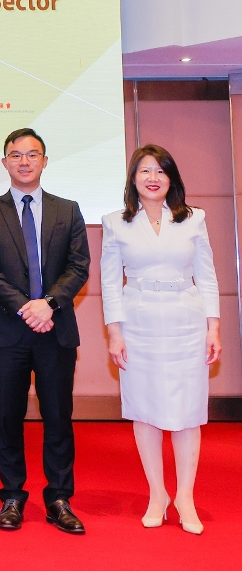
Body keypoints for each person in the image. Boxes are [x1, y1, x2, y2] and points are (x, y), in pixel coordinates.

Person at [0, 128, 91, 534]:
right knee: (8, 417)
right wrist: (27, 306)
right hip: (9, 330)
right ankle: (12, 496)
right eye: (16, 155)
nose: (24, 161)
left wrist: (49, 303)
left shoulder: (68, 210)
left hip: (56, 330)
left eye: (32, 154)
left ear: (45, 160)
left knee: (58, 417)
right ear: (5, 162)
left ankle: (59, 498)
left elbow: (78, 266)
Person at [102, 144, 221, 535]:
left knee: (188, 411)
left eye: (160, 171)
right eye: (145, 171)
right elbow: (109, 283)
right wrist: (115, 332)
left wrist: (213, 326)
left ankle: (185, 496)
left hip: (186, 319)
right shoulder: (115, 222)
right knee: (144, 409)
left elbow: (207, 275)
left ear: (172, 178)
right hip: (137, 322)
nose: (152, 178)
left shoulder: (194, 218)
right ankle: (158, 494)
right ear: (133, 178)